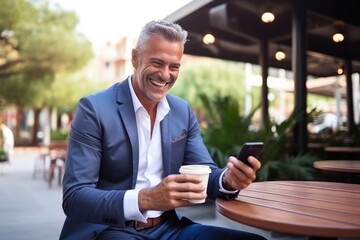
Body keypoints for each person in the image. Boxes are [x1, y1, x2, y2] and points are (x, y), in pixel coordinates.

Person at [60, 20, 266, 240]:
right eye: (157, 63)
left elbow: (205, 175)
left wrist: (229, 180)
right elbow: (75, 197)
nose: (165, 75)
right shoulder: (94, 109)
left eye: (174, 66)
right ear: (135, 58)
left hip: (169, 229)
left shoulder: (181, 112)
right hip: (110, 230)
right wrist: (146, 199)